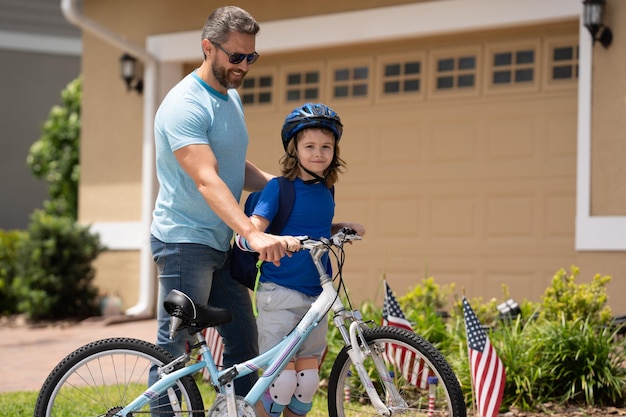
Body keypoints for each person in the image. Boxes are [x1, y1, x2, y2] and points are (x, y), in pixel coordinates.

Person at [149, 5, 300, 396]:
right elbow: (207, 179)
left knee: (243, 346)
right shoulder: (185, 104)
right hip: (185, 243)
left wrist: (288, 189)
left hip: (220, 244)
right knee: (174, 350)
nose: (244, 66)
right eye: (236, 56)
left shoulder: (228, 98)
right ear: (208, 48)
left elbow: (234, 167)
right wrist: (252, 233)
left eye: (251, 56)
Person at [235, 103, 366, 417]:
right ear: (293, 149)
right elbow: (248, 234)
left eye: (326, 146)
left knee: (306, 382)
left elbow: (312, 228)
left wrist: (339, 227)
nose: (318, 153)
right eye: (309, 146)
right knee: (281, 381)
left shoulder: (327, 190)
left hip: (316, 294)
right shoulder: (278, 188)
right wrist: (276, 240)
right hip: (280, 291)